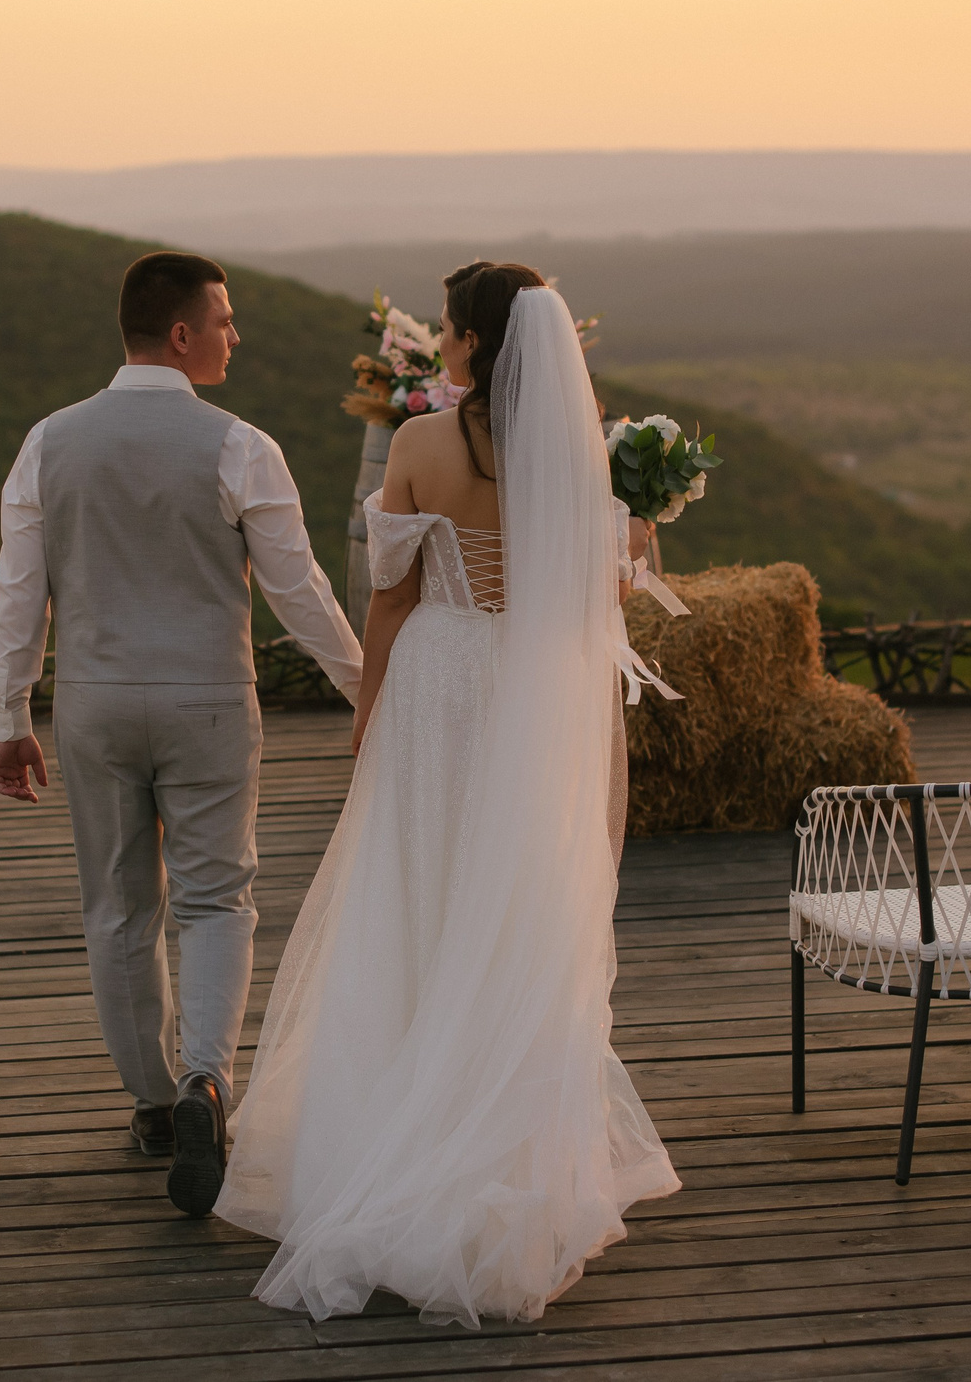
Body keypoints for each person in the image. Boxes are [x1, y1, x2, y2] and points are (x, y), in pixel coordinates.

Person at [214, 263, 681, 1328]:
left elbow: (390, 595)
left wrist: (365, 714)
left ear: (468, 339)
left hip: (442, 682)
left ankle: (392, 1119)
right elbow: (598, 597)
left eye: (455, 325)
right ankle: (498, 1124)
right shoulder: (581, 457)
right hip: (533, 694)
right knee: (509, 899)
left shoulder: (423, 443)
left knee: (415, 889)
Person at [0, 251, 363, 1218]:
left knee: (118, 907)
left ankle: (155, 1107)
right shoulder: (241, 446)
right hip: (206, 703)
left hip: (96, 706)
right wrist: (369, 687)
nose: (238, 335)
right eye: (226, 319)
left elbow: (19, 594)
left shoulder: (46, 443)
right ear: (183, 335)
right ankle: (206, 1082)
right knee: (216, 899)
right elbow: (299, 592)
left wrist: (8, 715)